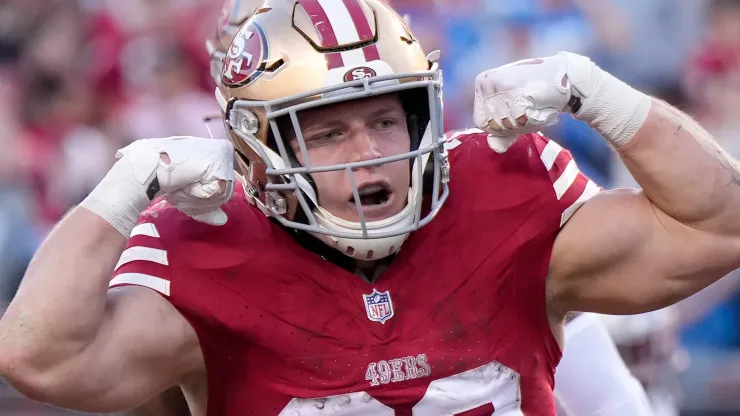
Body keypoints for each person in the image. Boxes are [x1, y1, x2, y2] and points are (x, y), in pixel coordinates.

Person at [3, 0, 740, 414]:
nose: (367, 152)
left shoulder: (503, 198)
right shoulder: (202, 243)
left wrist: (597, 92)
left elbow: (720, 225)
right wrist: (126, 184)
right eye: (325, 132)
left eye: (385, 119)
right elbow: (36, 355)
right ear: (253, 148)